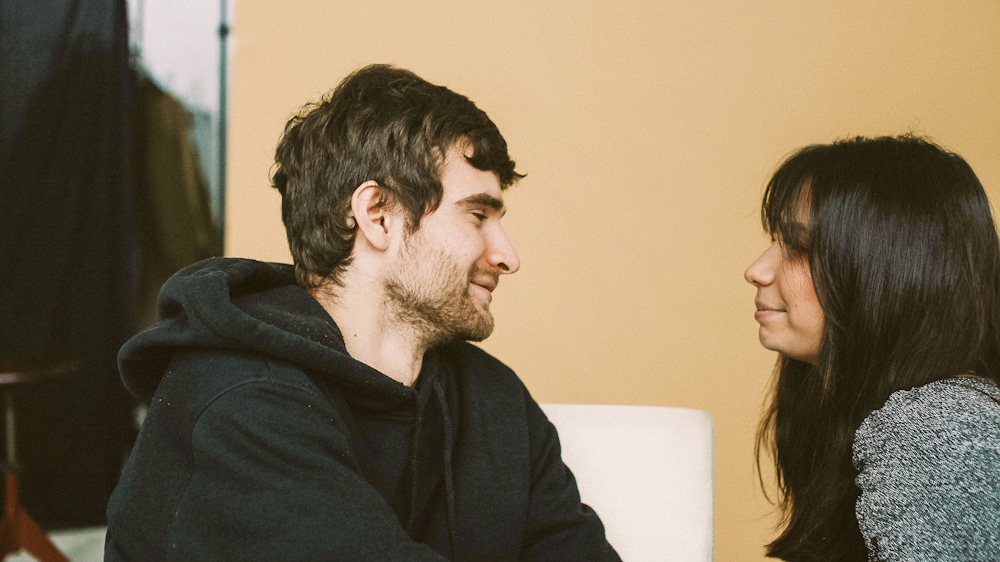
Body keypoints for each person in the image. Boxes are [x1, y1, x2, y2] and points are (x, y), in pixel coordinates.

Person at [104, 64, 621, 562]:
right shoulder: (238, 404)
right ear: (377, 215)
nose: (507, 256)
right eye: (477, 215)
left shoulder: (496, 400)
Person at [744, 134, 1000, 562]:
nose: (756, 270)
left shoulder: (935, 428)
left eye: (799, 247)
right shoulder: (903, 420)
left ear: (885, 272)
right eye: (775, 240)